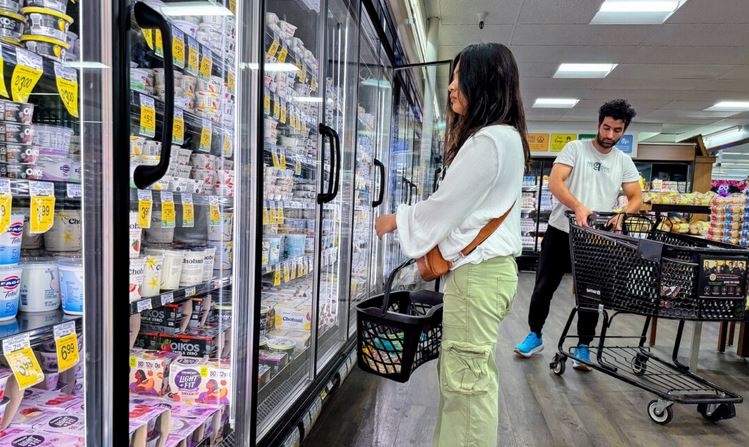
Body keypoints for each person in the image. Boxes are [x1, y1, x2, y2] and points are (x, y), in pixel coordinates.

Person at [375, 42, 529, 447]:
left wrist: (396, 219)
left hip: (477, 278)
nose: (452, 87)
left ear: (486, 83)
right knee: (467, 378)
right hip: (489, 276)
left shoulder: (488, 142)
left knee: (465, 384)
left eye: (461, 77)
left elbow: (445, 208)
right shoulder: (508, 138)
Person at [514, 99, 643, 371]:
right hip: (561, 231)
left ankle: (584, 346)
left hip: (596, 240)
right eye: (606, 128)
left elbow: (635, 197)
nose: (610, 135)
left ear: (624, 130)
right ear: (598, 124)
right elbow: (555, 181)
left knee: (589, 295)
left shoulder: (623, 161)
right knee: (543, 288)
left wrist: (622, 214)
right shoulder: (575, 149)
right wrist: (578, 206)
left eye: (617, 130)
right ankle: (534, 335)